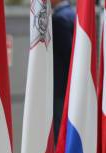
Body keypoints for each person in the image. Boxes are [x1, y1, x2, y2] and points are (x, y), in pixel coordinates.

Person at [52, 0, 75, 144]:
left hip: (60, 88)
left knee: (60, 133)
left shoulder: (59, 20)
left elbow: (68, 54)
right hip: (69, 87)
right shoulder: (72, 14)